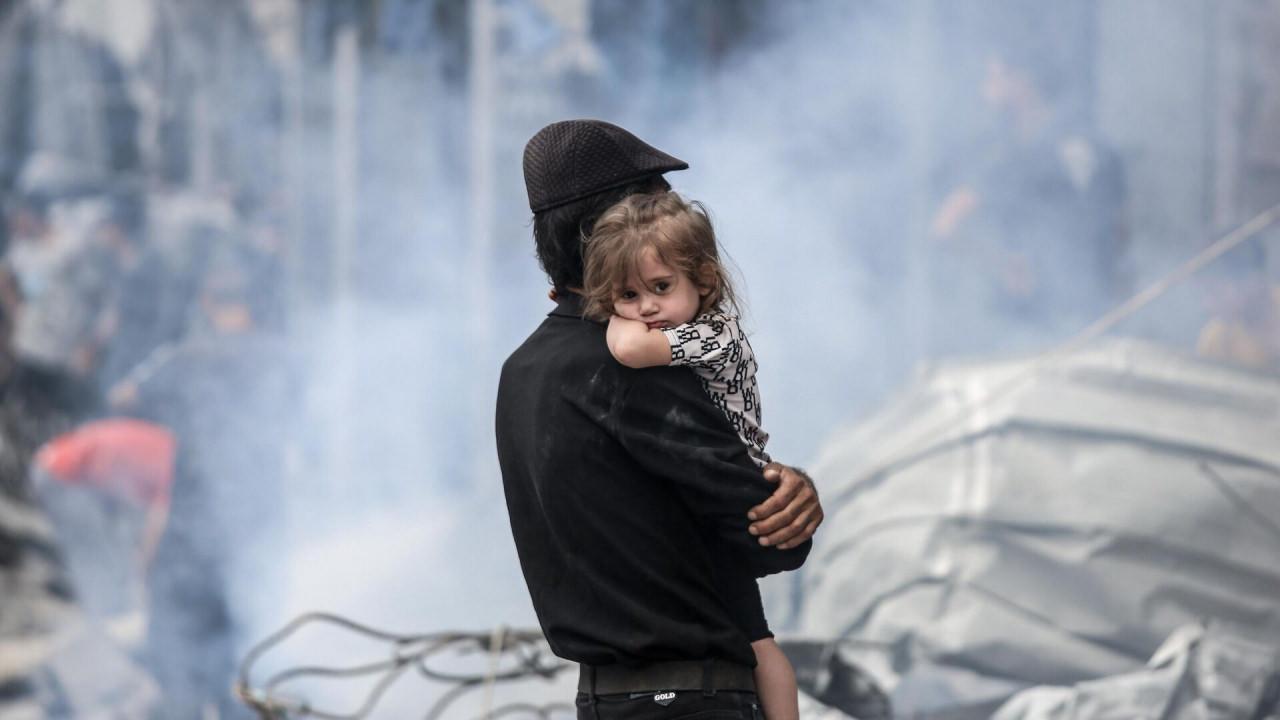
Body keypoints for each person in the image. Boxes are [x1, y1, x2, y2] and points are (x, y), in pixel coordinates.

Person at [496, 119, 823, 720]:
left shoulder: (524, 368)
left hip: (603, 701)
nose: (669, 208)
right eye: (654, 198)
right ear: (615, 232)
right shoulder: (632, 365)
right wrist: (791, 494)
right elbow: (767, 541)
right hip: (689, 701)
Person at [581, 190, 797, 720]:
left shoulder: (714, 333)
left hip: (730, 482)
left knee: (756, 638)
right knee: (751, 631)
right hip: (705, 480)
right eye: (628, 294)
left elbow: (629, 350)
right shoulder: (682, 325)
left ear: (704, 281)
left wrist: (613, 313)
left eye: (660, 288)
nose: (647, 307)